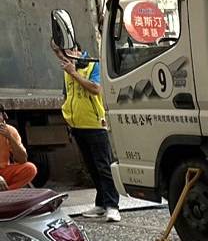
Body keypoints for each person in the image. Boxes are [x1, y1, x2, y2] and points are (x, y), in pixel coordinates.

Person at [54, 38, 120, 222]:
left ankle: (113, 205)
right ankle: (101, 203)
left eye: (65, 53)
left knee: (103, 166)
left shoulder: (92, 65)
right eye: (60, 54)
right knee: (92, 167)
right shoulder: (68, 70)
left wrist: (74, 73)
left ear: (76, 49)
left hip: (95, 124)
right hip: (77, 125)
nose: (62, 57)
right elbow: (67, 95)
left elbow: (96, 88)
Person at [0, 109, 38, 190]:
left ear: (4, 116)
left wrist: (10, 137)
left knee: (30, 168)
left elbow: (22, 160)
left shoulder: (9, 130)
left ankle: (6, 193)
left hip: (4, 172)